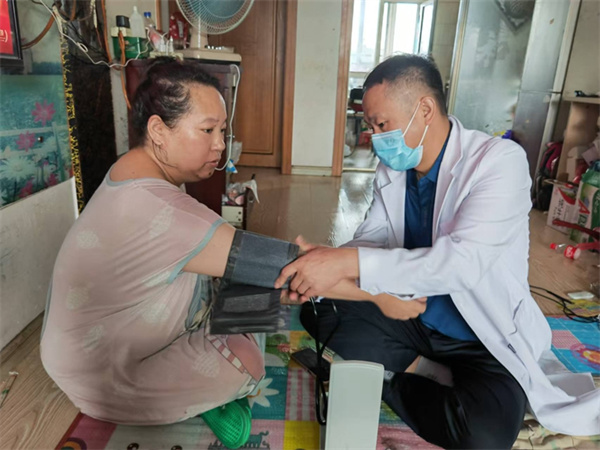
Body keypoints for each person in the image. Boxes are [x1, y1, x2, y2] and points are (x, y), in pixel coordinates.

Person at [276, 54, 600, 448]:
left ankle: (392, 380)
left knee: (483, 435)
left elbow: (460, 265)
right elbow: (372, 240)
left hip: (482, 337)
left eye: (382, 125)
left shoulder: (499, 163)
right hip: (414, 316)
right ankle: (421, 370)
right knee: (319, 309)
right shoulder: (394, 168)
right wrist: (322, 266)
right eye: (371, 126)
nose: (374, 138)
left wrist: (343, 264)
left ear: (425, 109)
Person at [41, 59, 264, 449]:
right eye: (208, 130)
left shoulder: (130, 169)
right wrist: (368, 276)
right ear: (159, 130)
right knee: (253, 338)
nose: (219, 145)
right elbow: (274, 264)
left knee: (233, 278)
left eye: (222, 131)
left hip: (75, 359)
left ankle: (191, 387)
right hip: (109, 378)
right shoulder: (161, 206)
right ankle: (206, 396)